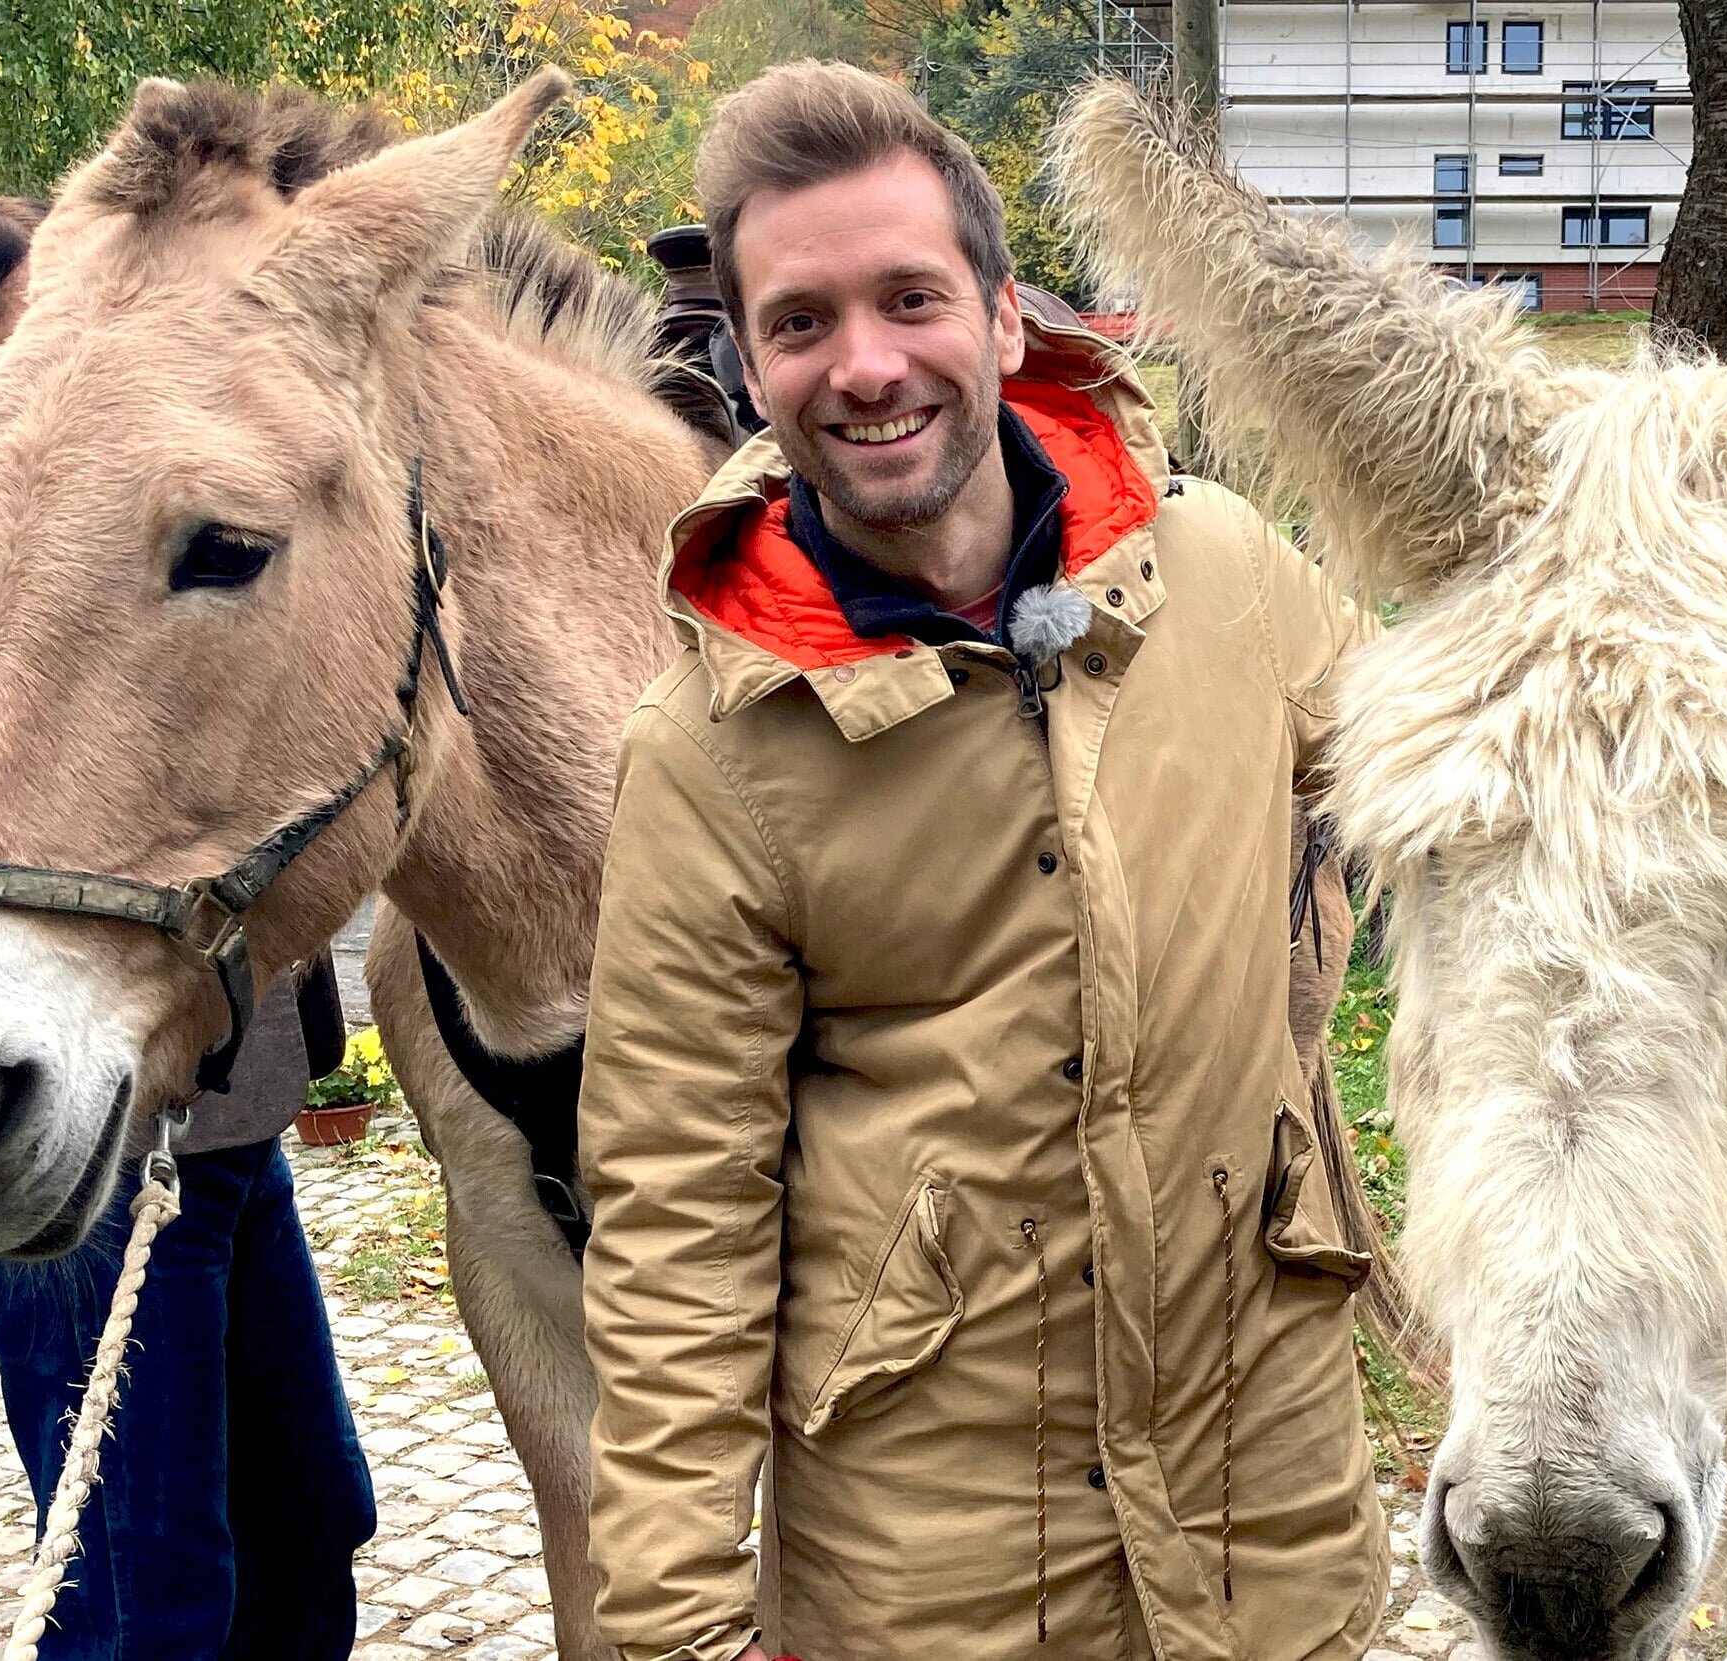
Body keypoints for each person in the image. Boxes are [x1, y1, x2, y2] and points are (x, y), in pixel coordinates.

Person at [578, 63, 1386, 1661]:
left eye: (909, 298)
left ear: (1006, 319)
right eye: (800, 322)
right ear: (746, 364)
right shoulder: (711, 753)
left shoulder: (1221, 572)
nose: (865, 365)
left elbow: (1452, 772)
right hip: (939, 1570)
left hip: (1261, 1506)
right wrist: (676, 1627)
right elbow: (677, 1216)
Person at [0, 183, 378, 1660]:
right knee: (142, 1579)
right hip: (77, 1130)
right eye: (28, 321)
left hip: (220, 1126)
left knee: (309, 1515)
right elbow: (13, 823)